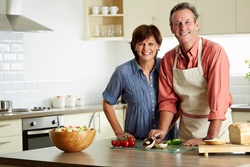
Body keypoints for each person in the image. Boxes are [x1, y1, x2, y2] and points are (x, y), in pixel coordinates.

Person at [149, 2, 233, 146]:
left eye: (188, 22)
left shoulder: (214, 52)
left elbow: (218, 99)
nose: (183, 28)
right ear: (171, 28)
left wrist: (210, 138)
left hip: (216, 132)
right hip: (187, 133)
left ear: (196, 24)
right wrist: (163, 130)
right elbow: (168, 101)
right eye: (177, 23)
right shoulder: (168, 59)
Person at [102, 24, 177, 140]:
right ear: (135, 46)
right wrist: (118, 132)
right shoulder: (122, 72)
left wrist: (166, 129)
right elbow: (107, 103)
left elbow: (179, 102)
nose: (146, 48)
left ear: (158, 45)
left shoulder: (167, 67)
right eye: (141, 44)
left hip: (167, 141)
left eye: (151, 44)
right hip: (136, 141)